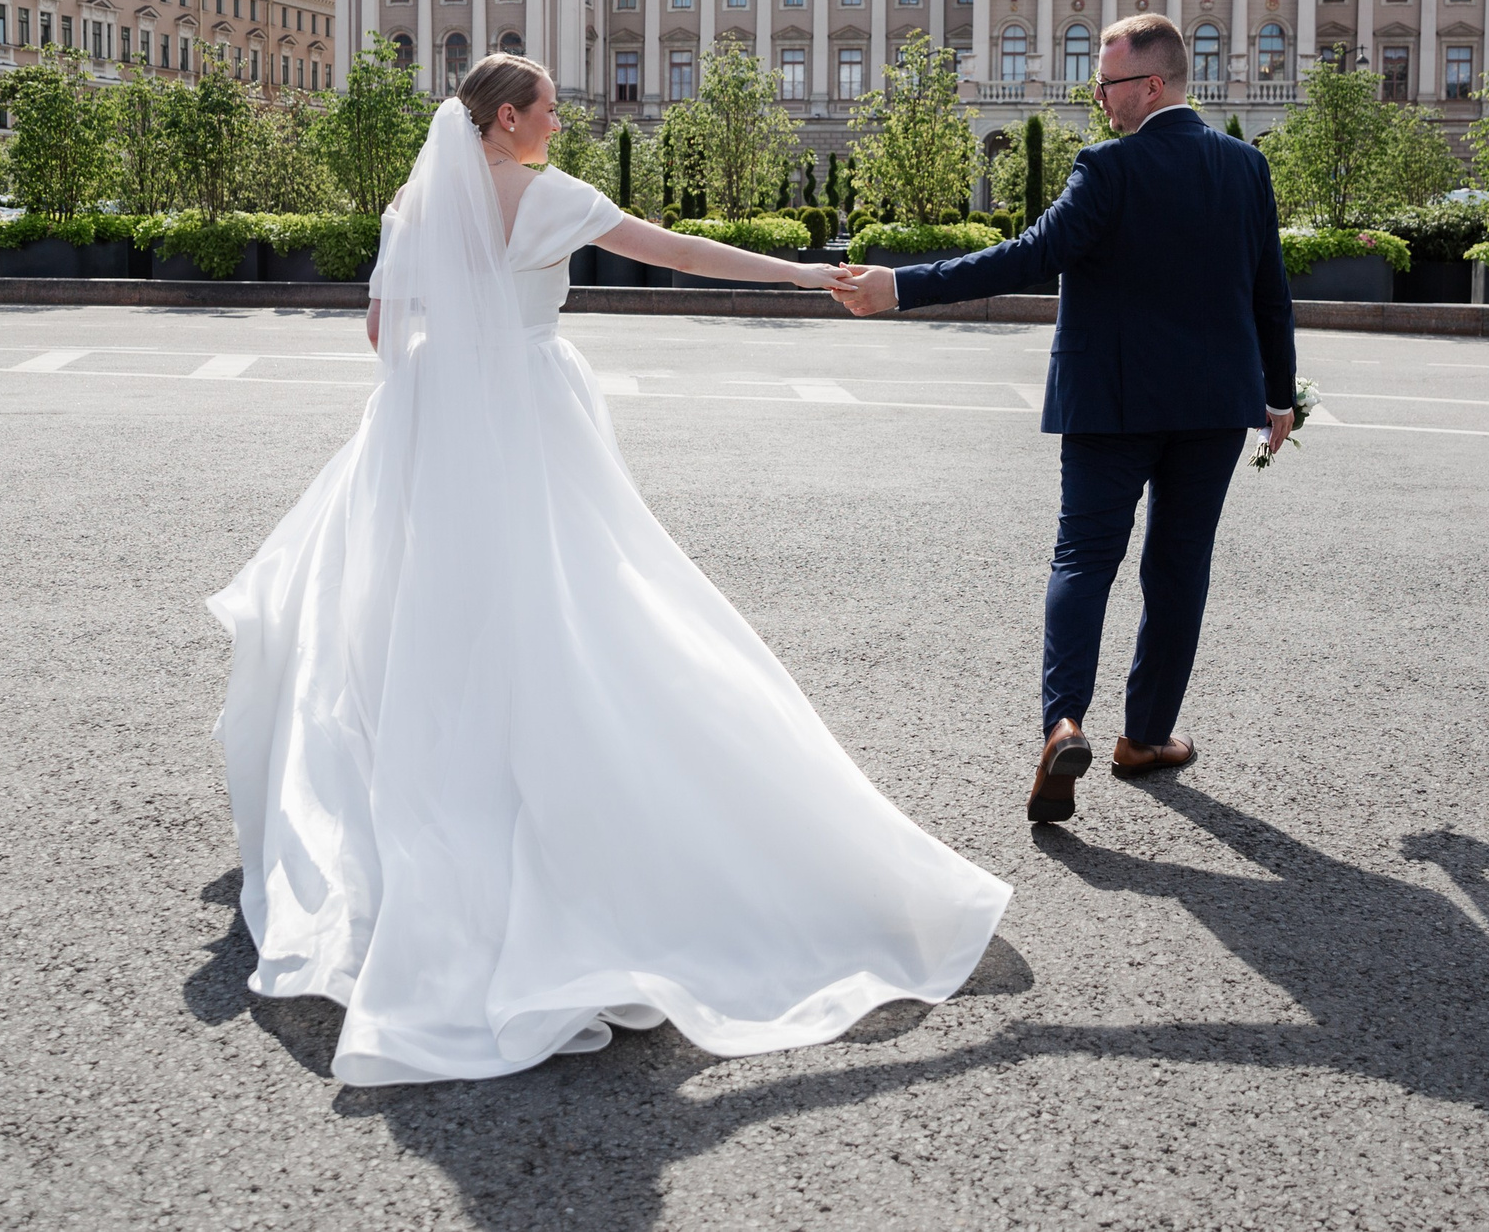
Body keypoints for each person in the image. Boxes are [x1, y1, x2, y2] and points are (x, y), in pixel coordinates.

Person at [211, 53, 1009, 1085]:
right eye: (547, 109)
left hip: (427, 417)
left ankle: (417, 803)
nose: (559, 122)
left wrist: (450, 366)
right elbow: (677, 250)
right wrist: (810, 272)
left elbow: (381, 327)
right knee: (578, 603)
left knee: (417, 611)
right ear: (507, 119)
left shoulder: (420, 198)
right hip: (531, 413)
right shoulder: (551, 199)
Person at [839, 16, 1294, 825]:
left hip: (1110, 400)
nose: (1097, 97)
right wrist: (1281, 392)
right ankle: (1146, 737)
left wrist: (901, 286)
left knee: (1084, 557)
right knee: (1179, 568)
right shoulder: (1246, 168)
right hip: (1214, 407)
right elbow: (1269, 289)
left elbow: (1025, 255)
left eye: (1108, 83)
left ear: (1152, 85)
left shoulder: (1109, 168)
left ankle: (1063, 725)